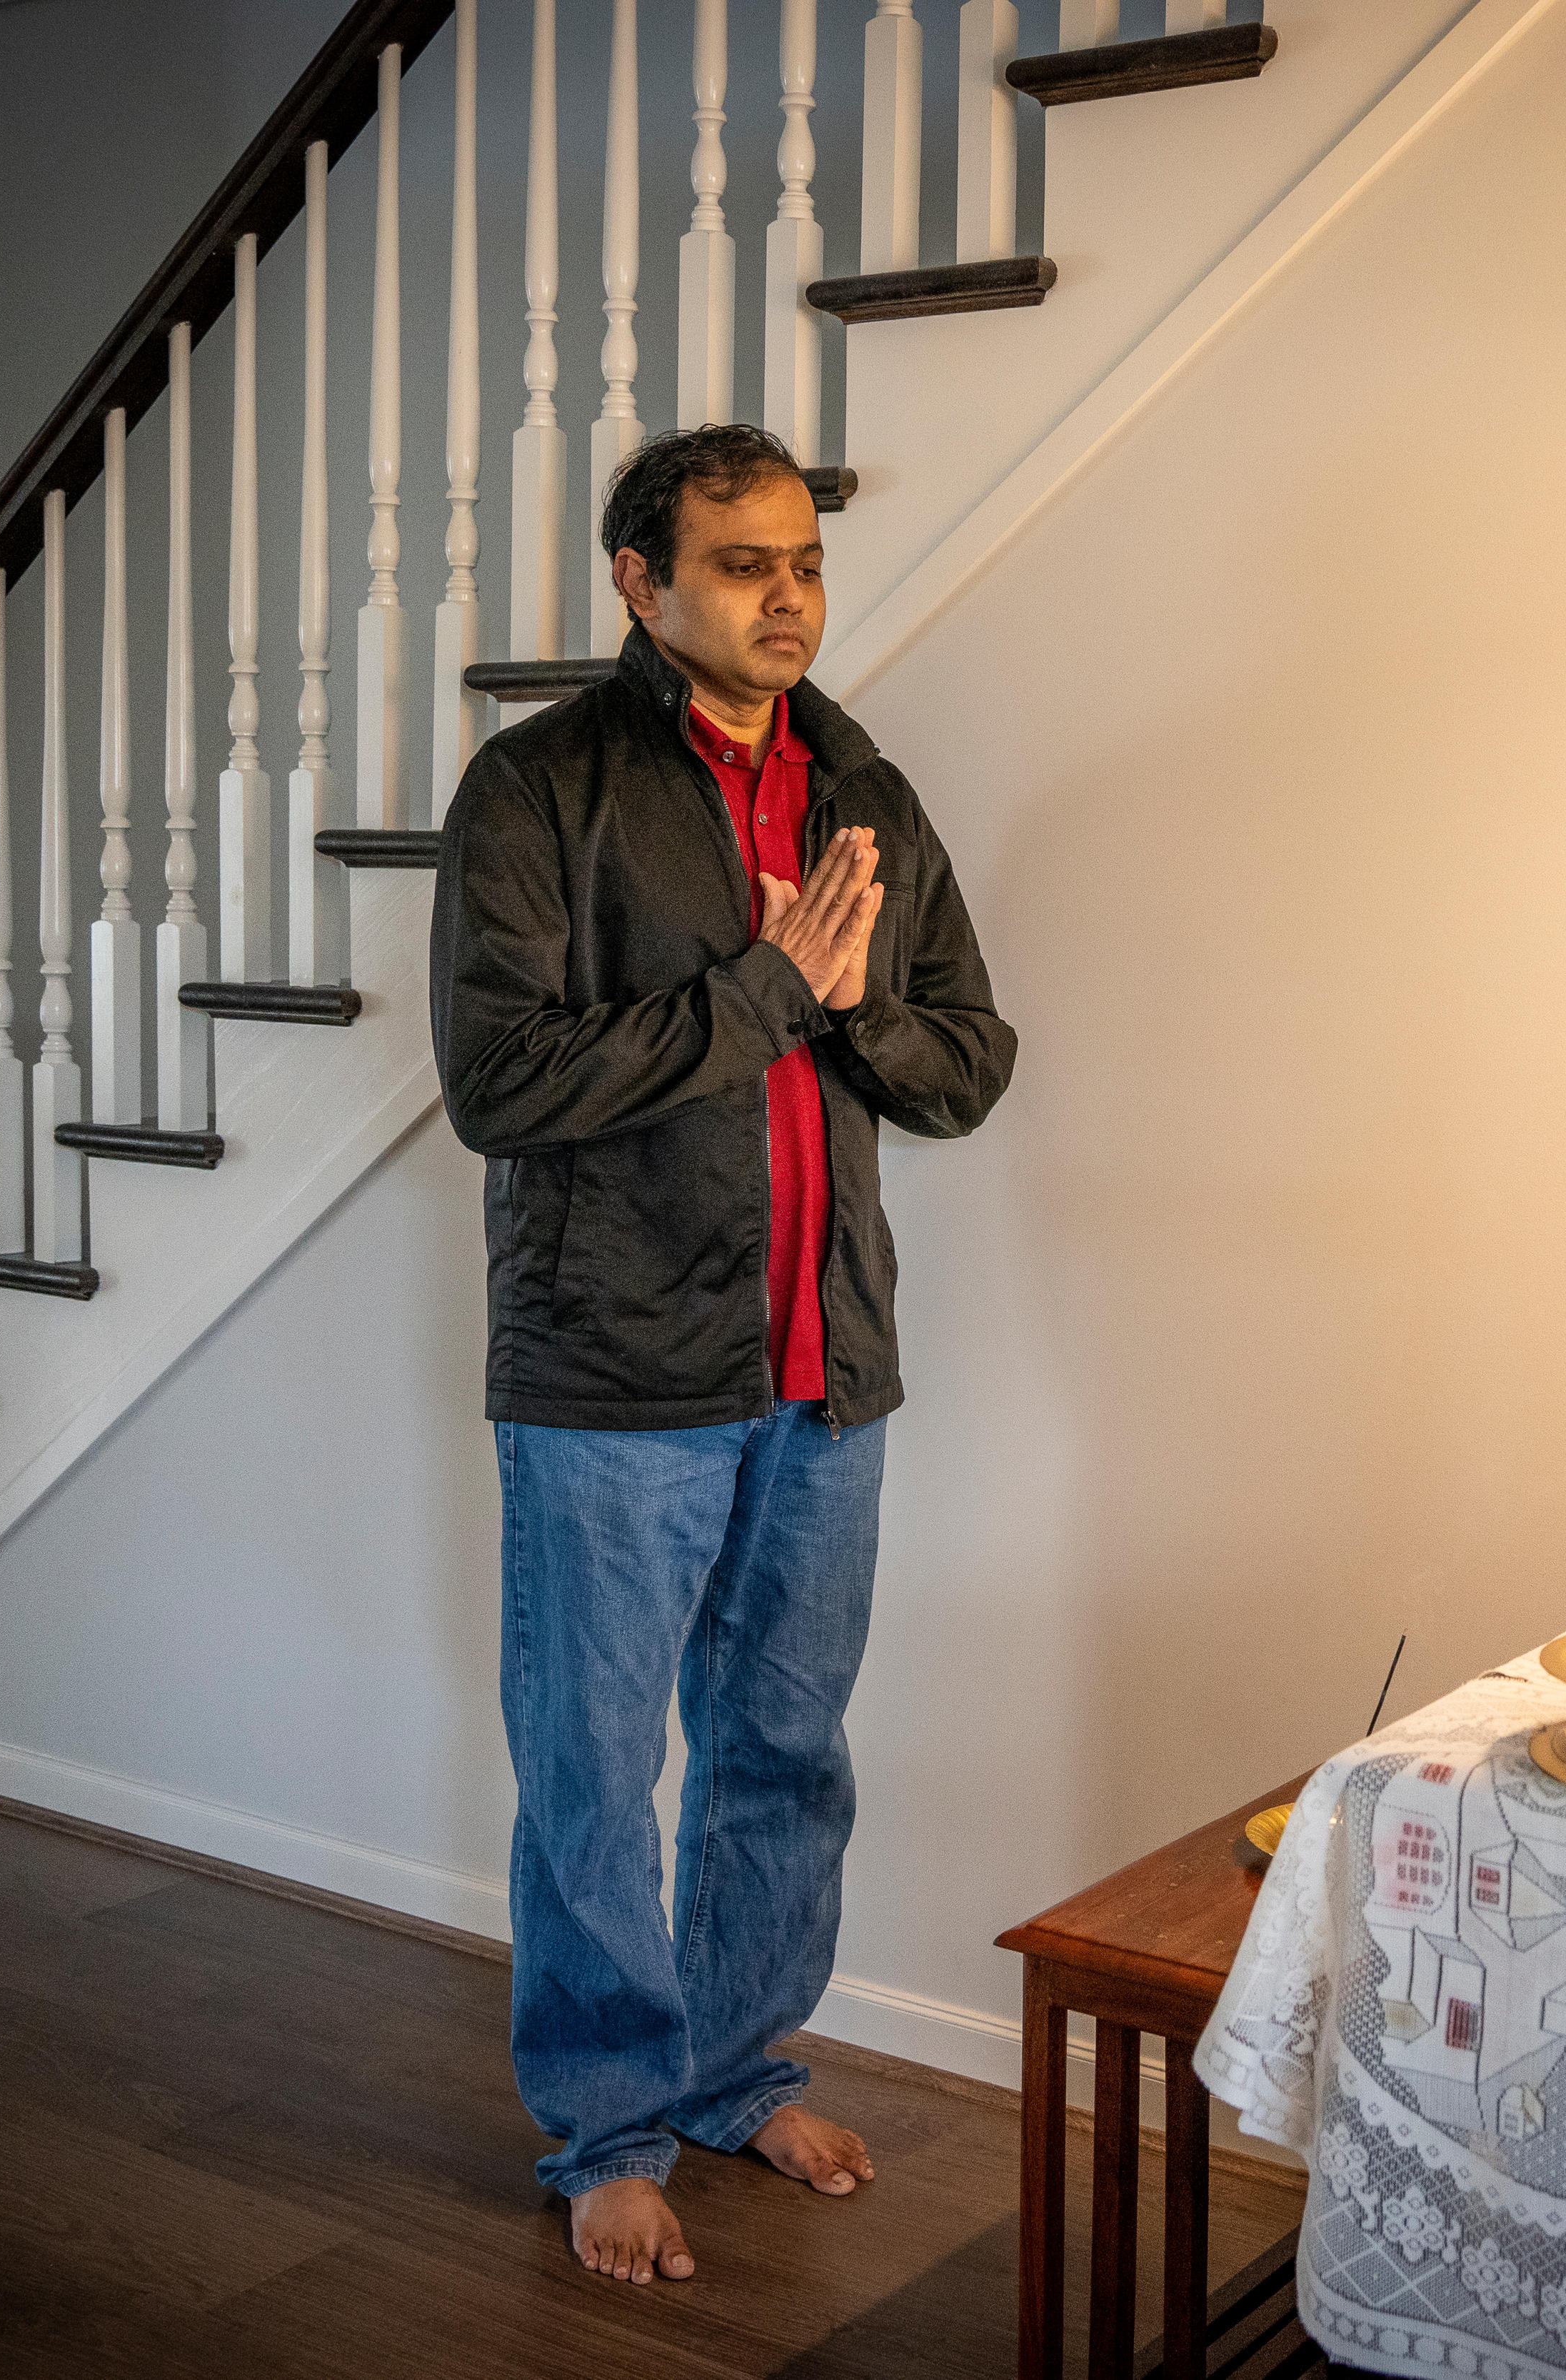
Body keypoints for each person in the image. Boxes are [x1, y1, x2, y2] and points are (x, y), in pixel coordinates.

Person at [428, 423, 1016, 2286]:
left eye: (804, 565)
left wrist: (842, 1019)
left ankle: (738, 2071)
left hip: (821, 1369)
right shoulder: (540, 791)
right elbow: (501, 1083)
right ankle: (606, 2135)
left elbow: (968, 1058)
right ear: (639, 582)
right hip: (611, 1373)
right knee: (600, 1777)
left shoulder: (863, 787)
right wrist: (763, 994)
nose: (787, 597)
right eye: (744, 563)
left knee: (783, 1751)